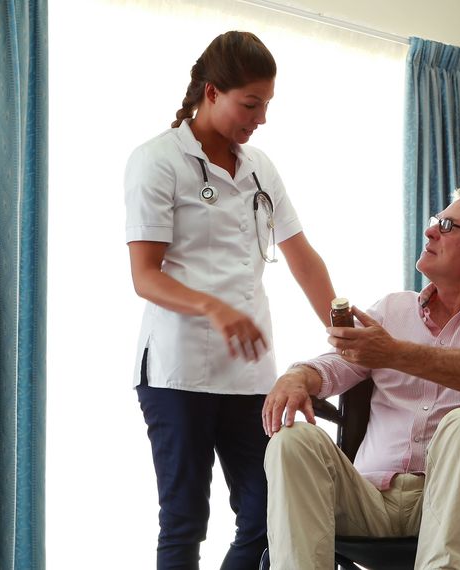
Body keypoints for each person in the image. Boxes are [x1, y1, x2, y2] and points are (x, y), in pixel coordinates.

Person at [124, 31, 336, 569]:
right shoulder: (158, 160)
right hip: (179, 369)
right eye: (251, 103)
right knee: (185, 519)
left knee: (268, 513)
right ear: (212, 92)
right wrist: (214, 308)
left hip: (249, 375)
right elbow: (145, 276)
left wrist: (340, 326)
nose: (261, 117)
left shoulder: (260, 165)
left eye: (266, 104)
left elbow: (301, 255)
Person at [261, 187, 460, 569]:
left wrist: (395, 353)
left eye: (446, 225)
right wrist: (298, 376)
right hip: (366, 498)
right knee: (291, 440)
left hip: (450, 500)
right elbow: (334, 364)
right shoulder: (393, 309)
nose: (430, 232)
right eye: (433, 223)